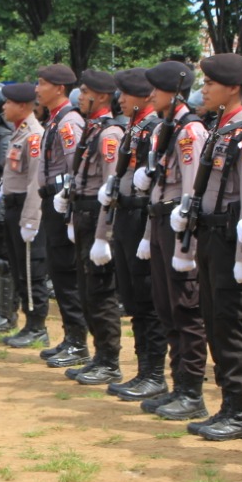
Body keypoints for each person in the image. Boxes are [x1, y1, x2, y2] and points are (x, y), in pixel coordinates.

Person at [178, 53, 242, 441]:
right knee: (214, 321)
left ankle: (241, 411)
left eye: (212, 84)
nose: (205, 90)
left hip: (232, 243)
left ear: (233, 89)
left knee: (230, 327)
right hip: (212, 238)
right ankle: (228, 404)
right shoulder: (220, 130)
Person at [140, 60, 209, 420]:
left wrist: (189, 245)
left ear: (174, 91)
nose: (150, 95)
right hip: (161, 222)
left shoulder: (189, 131)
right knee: (166, 308)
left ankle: (192, 391)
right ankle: (177, 383)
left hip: (180, 226)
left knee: (185, 310)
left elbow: (194, 186)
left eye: (156, 89)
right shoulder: (167, 127)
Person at [55, 70, 126, 384]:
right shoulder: (93, 129)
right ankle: (98, 355)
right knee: (86, 289)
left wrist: (104, 236)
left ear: (100, 96)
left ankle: (109, 360)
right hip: (82, 213)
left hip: (97, 215)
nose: (79, 96)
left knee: (100, 291)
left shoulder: (109, 134)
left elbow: (111, 188)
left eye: (84, 91)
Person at [103, 68, 167, 402]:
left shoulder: (154, 128)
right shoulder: (134, 127)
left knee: (146, 299)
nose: (121, 99)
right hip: (126, 214)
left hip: (142, 216)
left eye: (126, 94)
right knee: (132, 298)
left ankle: (154, 372)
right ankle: (143, 369)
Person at [29, 64, 85, 351]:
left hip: (63, 204)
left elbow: (78, 166)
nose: (37, 89)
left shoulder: (68, 122)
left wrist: (68, 200)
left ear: (59, 88)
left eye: (42, 83)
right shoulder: (55, 120)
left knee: (66, 270)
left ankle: (77, 341)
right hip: (52, 201)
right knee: (59, 270)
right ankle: (70, 337)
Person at [0, 82, 51, 344]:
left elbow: (35, 181)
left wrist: (30, 219)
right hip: (12, 206)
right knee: (19, 268)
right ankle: (29, 323)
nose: (3, 107)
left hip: (26, 209)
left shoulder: (33, 135)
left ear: (21, 105)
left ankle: (37, 325)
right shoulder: (18, 132)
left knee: (31, 270)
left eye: (7, 102)